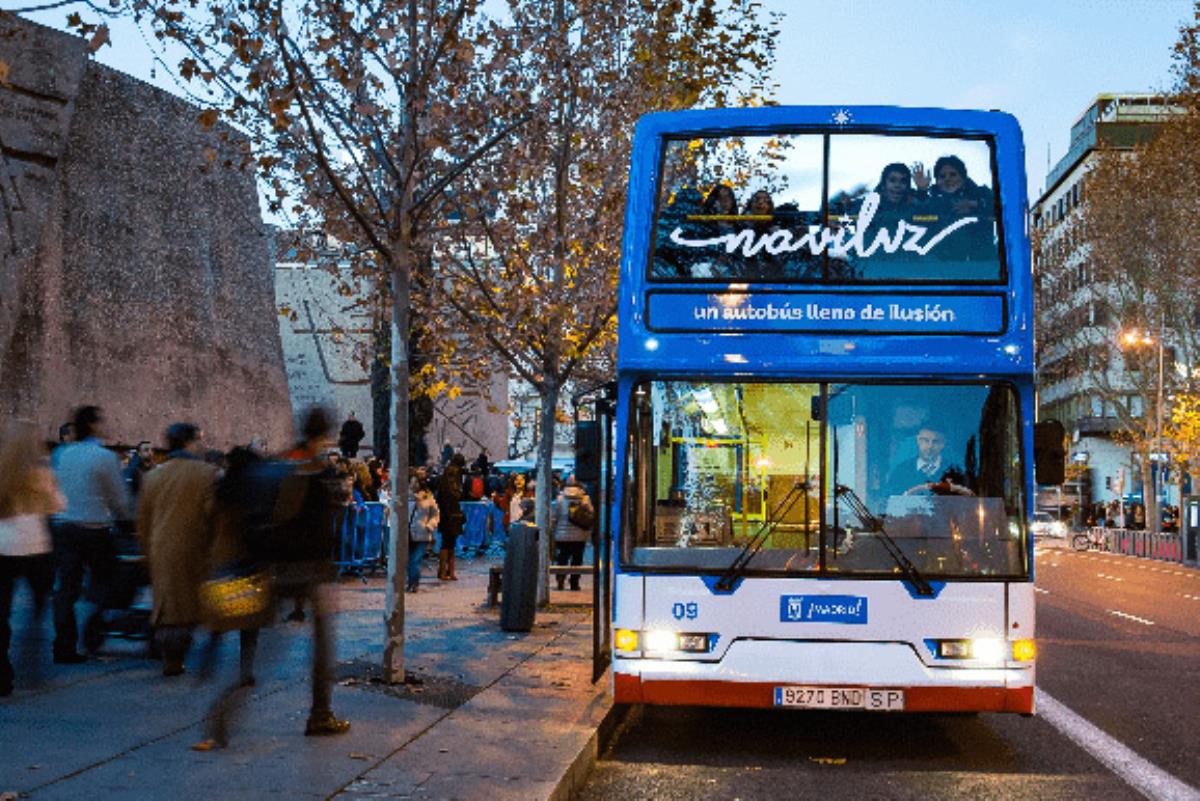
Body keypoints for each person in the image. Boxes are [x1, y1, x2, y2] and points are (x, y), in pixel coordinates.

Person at [275, 406, 351, 735]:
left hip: (280, 565)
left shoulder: (286, 461)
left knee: (267, 644)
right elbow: (332, 513)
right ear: (326, 434)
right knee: (322, 645)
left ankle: (232, 698)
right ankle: (320, 713)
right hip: (318, 569)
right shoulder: (321, 470)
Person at [50, 406, 132, 663]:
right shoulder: (104, 457)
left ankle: (64, 645)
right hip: (95, 529)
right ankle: (92, 630)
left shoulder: (61, 454)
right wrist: (126, 521)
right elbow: (119, 500)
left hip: (64, 526)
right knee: (109, 581)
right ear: (94, 425)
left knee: (66, 588)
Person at [137, 423, 218, 676]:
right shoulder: (207, 473)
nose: (203, 444)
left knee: (168, 606)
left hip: (160, 547)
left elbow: (143, 521)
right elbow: (212, 513)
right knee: (191, 606)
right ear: (190, 442)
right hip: (195, 548)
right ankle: (186, 656)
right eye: (200, 439)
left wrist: (148, 551)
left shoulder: (153, 476)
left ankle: (171, 660)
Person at [0, 422, 64, 696]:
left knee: (1, 612)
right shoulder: (42, 471)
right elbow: (59, 505)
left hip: (3, 547)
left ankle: (3, 673)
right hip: (36, 547)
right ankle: (32, 651)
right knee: (39, 604)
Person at [914, 155, 993, 261]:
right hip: (946, 268)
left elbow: (1004, 213)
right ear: (937, 182)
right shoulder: (933, 204)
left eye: (953, 174)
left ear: (963, 178)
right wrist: (922, 192)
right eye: (942, 176)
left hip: (982, 265)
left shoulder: (982, 194)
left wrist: (975, 205)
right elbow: (917, 219)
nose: (948, 179)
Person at [885, 424, 973, 497]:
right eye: (925, 440)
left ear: (943, 444)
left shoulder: (956, 473)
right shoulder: (901, 472)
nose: (930, 446)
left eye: (935, 442)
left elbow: (966, 503)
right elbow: (890, 503)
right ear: (918, 441)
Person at [552, 477, 593, 591]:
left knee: (562, 559)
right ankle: (574, 582)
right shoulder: (585, 499)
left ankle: (560, 579)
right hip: (580, 536)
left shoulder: (559, 499)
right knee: (577, 560)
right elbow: (590, 515)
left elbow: (554, 518)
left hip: (561, 536)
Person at [435, 454, 465, 581]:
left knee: (448, 542)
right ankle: (445, 571)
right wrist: (459, 494)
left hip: (448, 512)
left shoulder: (449, 472)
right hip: (450, 512)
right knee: (448, 543)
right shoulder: (453, 473)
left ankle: (448, 571)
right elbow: (453, 493)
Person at [407, 481, 439, 592]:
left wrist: (429, 526)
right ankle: (411, 582)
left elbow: (435, 515)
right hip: (408, 533)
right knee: (409, 560)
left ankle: (413, 583)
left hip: (423, 533)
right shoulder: (406, 498)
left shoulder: (429, 500)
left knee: (415, 560)